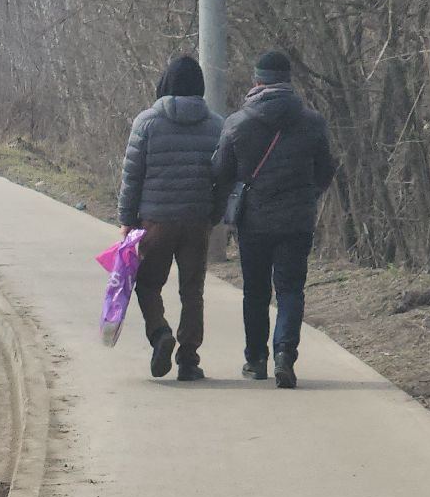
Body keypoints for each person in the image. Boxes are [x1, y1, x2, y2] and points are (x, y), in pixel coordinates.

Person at [212, 49, 336, 389]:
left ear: (257, 81)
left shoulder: (237, 123)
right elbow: (326, 170)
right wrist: (308, 195)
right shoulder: (312, 122)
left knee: (255, 291)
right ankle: (285, 355)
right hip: (297, 220)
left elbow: (221, 172)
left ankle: (255, 360)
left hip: (253, 220)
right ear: (288, 82)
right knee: (290, 289)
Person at [118, 56, 223, 381]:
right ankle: (189, 360)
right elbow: (223, 177)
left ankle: (160, 333)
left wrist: (126, 220)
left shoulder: (146, 122)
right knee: (192, 290)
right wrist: (213, 215)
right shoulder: (217, 125)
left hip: (155, 221)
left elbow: (132, 177)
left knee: (147, 284)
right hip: (196, 221)